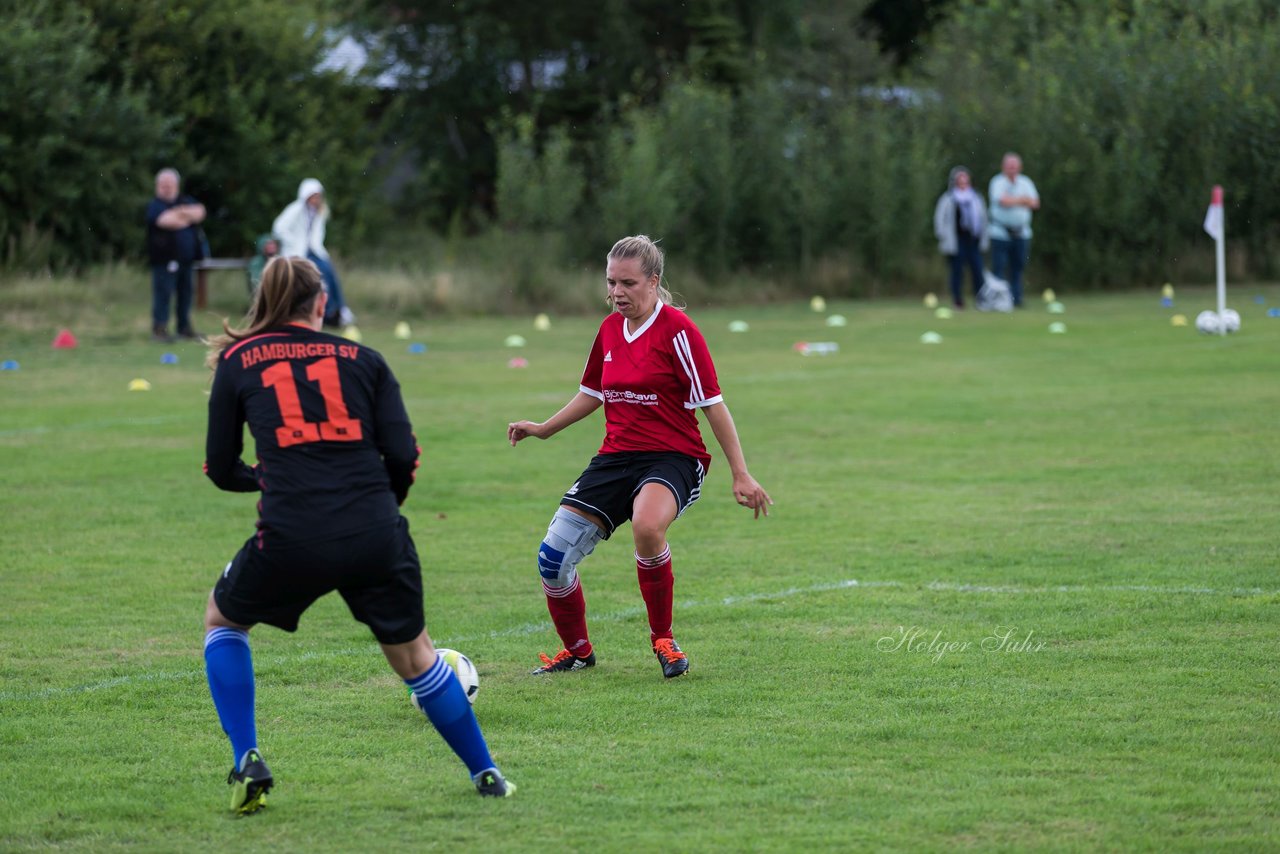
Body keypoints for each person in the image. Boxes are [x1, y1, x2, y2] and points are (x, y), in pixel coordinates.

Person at [201, 257, 513, 815]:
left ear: (265, 299)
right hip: (374, 529)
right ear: (321, 303)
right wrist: (376, 507)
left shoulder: (237, 359)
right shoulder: (365, 358)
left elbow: (221, 467)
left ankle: (247, 757)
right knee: (417, 659)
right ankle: (487, 774)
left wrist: (268, 478)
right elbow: (403, 455)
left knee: (224, 621)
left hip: (291, 532)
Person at [507, 235, 772, 679]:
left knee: (648, 526)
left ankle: (663, 639)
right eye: (611, 282)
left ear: (654, 281)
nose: (616, 292)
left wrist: (740, 474)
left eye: (627, 283)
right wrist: (543, 429)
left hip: (674, 457)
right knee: (551, 558)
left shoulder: (679, 332)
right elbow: (591, 394)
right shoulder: (609, 330)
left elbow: (713, 404)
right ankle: (576, 651)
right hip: (616, 458)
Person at [272, 178, 356, 328]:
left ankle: (339, 309)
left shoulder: (320, 212)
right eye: (314, 196)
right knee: (319, 276)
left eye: (318, 196)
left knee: (329, 273)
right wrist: (294, 242)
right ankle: (327, 311)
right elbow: (278, 229)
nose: (317, 199)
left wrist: (317, 248)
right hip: (298, 253)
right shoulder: (295, 209)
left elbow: (317, 236)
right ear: (306, 196)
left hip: (314, 252)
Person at [145, 168, 206, 342]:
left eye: (169, 184)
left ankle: (184, 328)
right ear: (157, 186)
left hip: (186, 259)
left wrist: (178, 214)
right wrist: (187, 216)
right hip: (164, 260)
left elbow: (200, 212)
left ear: (176, 185)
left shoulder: (185, 200)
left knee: (186, 294)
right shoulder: (155, 206)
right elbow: (165, 221)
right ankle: (159, 329)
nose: (166, 188)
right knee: (163, 294)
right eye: (163, 185)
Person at [987, 152, 1041, 308]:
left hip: (1022, 232)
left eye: (1014, 166)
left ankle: (1016, 299)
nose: (1012, 169)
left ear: (1019, 167)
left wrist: (1015, 201)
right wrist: (1023, 200)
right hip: (1000, 232)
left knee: (1018, 266)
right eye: (1009, 166)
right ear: (1003, 167)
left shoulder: (1026, 182)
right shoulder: (997, 182)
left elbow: (1035, 203)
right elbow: (1003, 201)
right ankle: (997, 301)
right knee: (999, 266)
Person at [933, 166, 989, 309]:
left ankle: (980, 299)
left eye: (966, 180)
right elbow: (939, 219)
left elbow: (983, 219)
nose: (963, 183)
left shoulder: (976, 197)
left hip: (973, 239)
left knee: (977, 270)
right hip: (956, 240)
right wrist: (943, 236)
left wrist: (984, 237)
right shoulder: (948, 198)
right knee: (957, 271)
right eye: (960, 180)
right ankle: (958, 300)